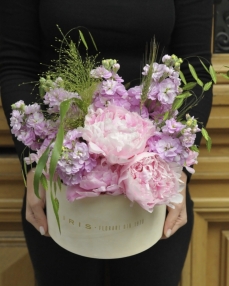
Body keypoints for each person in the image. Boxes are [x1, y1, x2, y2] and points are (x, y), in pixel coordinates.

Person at [0, 1, 213, 285]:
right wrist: (36, 163)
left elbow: (195, 66)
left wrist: (176, 171)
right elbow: (16, 62)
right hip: (61, 173)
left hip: (154, 175)